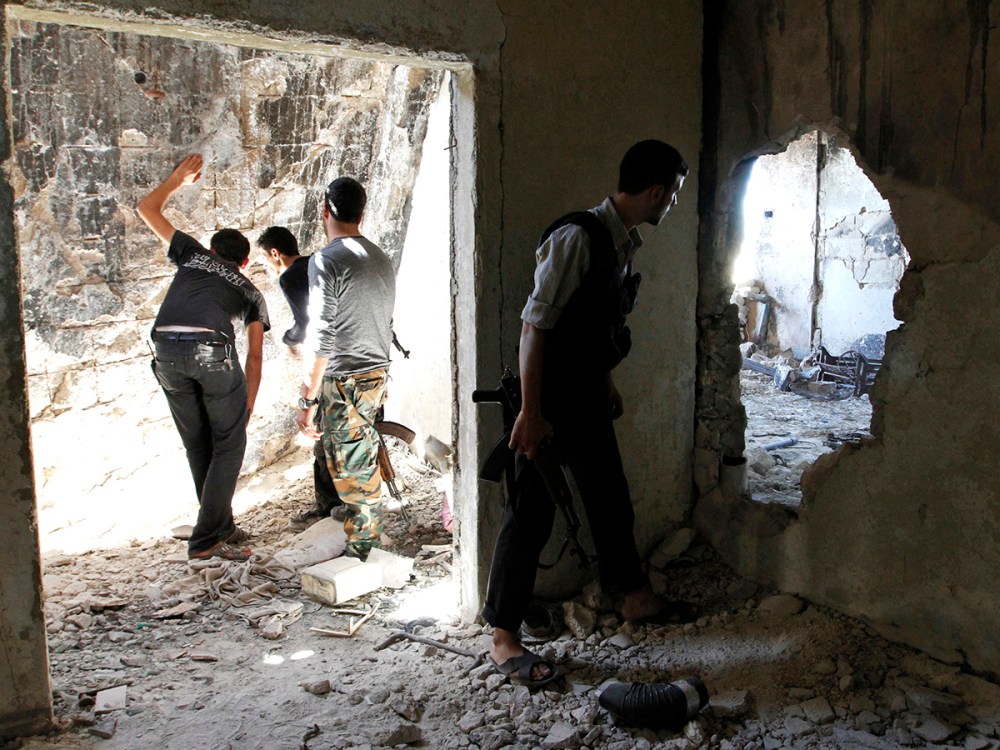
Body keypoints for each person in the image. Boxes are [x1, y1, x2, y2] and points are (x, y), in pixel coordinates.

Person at [482, 140, 692, 687]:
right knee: (530, 513)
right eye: (673, 194)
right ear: (656, 192)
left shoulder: (622, 242)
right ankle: (503, 636)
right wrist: (531, 413)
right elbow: (536, 327)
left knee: (610, 498)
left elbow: (592, 326)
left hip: (586, 395)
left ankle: (634, 596)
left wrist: (605, 381)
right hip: (548, 402)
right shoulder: (578, 238)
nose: (672, 203)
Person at [138, 153, 270, 562]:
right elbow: (254, 357)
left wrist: (177, 179)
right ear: (244, 263)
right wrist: (247, 404)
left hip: (164, 348)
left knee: (198, 443)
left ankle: (220, 526)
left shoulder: (193, 253)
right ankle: (207, 539)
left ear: (213, 249)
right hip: (212, 351)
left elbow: (146, 209)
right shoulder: (250, 291)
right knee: (229, 443)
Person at [295, 177, 395, 559]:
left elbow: (322, 337)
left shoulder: (326, 260)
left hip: (345, 378)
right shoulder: (380, 257)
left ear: (325, 211)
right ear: (362, 213)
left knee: (352, 470)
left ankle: (364, 554)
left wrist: (307, 399)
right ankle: (365, 544)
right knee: (361, 460)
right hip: (375, 372)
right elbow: (383, 319)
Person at [256, 226, 344, 529]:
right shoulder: (317, 262)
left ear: (275, 253)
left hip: (329, 361)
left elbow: (306, 323)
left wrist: (290, 339)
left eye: (264, 259)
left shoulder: (290, 276)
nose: (266, 266)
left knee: (321, 435)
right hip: (356, 356)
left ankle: (329, 507)